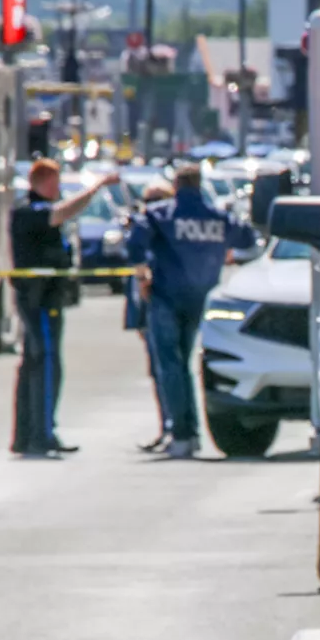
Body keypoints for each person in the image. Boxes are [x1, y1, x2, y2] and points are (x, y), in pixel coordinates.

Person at [127, 165, 256, 458]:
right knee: (186, 364)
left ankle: (182, 434)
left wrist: (141, 273)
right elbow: (247, 238)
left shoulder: (161, 214)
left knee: (170, 366)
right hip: (202, 298)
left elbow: (135, 243)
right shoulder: (217, 217)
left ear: (176, 184)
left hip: (166, 296)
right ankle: (192, 432)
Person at [9, 159, 120, 456]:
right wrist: (95, 187)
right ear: (42, 182)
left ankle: (30, 434)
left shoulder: (35, 211)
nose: (58, 191)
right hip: (38, 300)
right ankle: (41, 435)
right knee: (45, 363)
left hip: (47, 299)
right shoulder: (27, 211)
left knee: (36, 364)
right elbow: (60, 213)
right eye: (55, 184)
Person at [123, 180, 177, 452]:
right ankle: (166, 425)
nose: (151, 206)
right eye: (149, 200)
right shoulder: (144, 230)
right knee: (156, 372)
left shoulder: (167, 231)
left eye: (158, 199)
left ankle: (174, 427)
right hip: (146, 310)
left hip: (165, 306)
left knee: (168, 370)